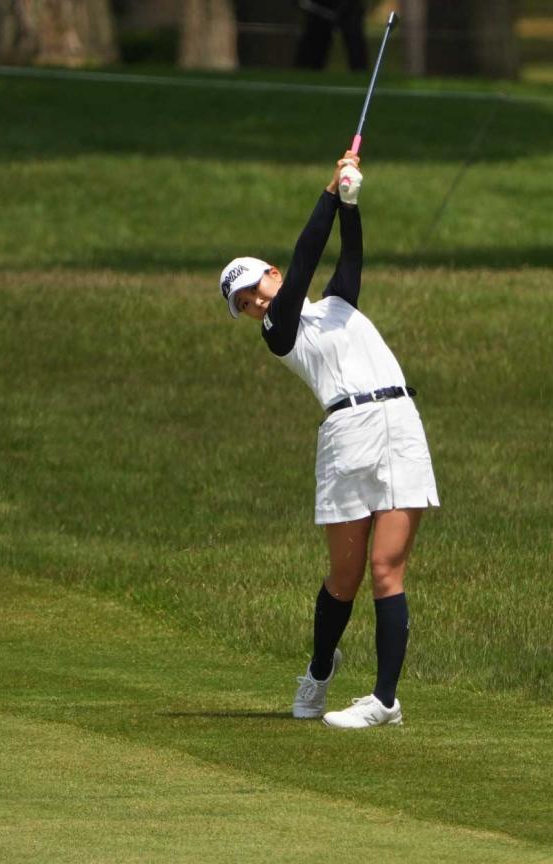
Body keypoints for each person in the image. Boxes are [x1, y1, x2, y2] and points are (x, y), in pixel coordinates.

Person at [219, 152, 439, 728]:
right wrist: (328, 194)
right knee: (345, 577)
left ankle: (385, 701)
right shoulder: (280, 330)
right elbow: (307, 258)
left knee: (387, 569)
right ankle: (319, 671)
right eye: (245, 305)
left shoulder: (339, 304)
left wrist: (351, 202)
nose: (256, 303)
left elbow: (350, 256)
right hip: (346, 434)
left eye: (254, 289)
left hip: (399, 421)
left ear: (268, 273)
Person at [294, 0, 368, 72]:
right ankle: (307, 68)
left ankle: (360, 70)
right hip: (321, 7)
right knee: (316, 39)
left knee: (354, 40)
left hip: (348, 6)